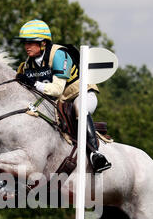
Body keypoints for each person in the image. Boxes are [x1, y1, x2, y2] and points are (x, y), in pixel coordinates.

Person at [15, 19, 111, 174]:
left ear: (43, 43)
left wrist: (32, 83)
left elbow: (57, 90)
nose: (27, 46)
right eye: (25, 43)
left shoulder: (59, 55)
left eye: (31, 42)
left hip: (81, 95)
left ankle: (95, 154)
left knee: (79, 108)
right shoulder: (28, 64)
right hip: (59, 103)